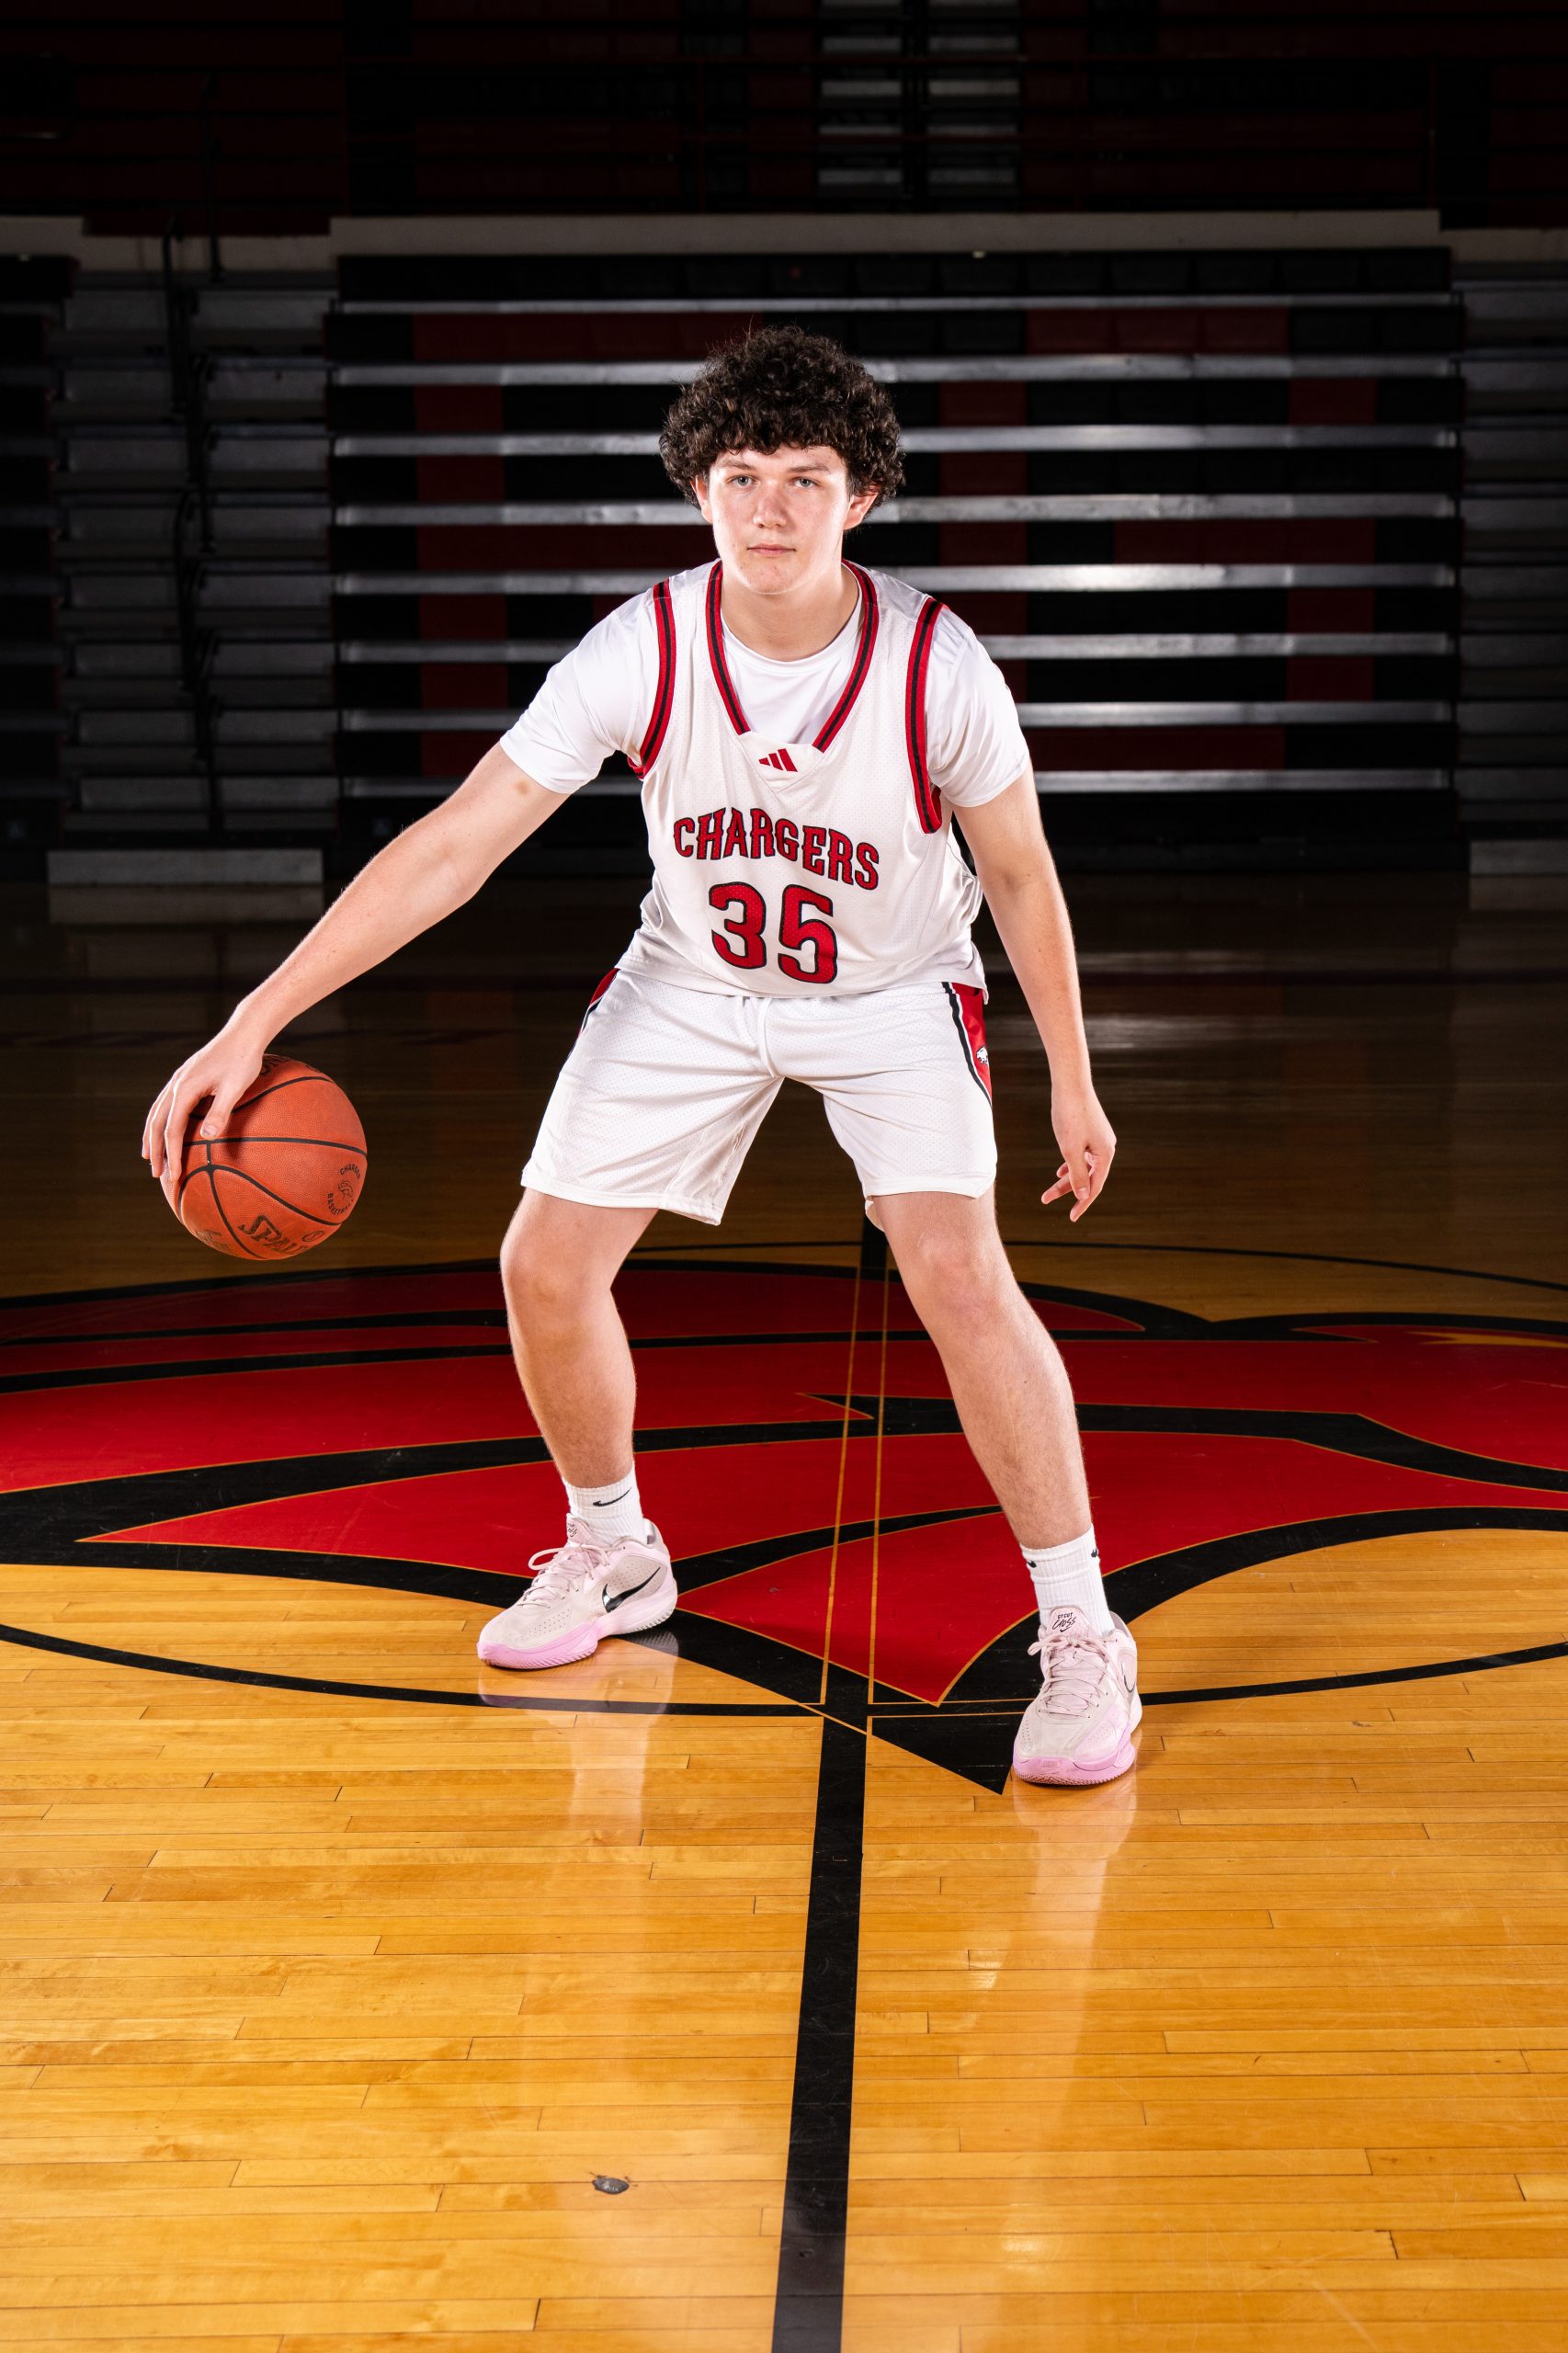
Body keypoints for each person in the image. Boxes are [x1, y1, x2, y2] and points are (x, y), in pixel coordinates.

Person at [142, 325, 1138, 1789]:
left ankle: (1079, 1625)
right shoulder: (643, 647)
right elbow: (458, 843)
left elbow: (1022, 877)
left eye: (805, 480)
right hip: (693, 982)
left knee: (955, 1272)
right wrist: (256, 1018)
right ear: (697, 489)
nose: (770, 511)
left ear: (861, 497)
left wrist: (1074, 1076)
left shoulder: (935, 664)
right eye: (741, 478)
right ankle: (614, 1550)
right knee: (542, 1267)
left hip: (889, 990)